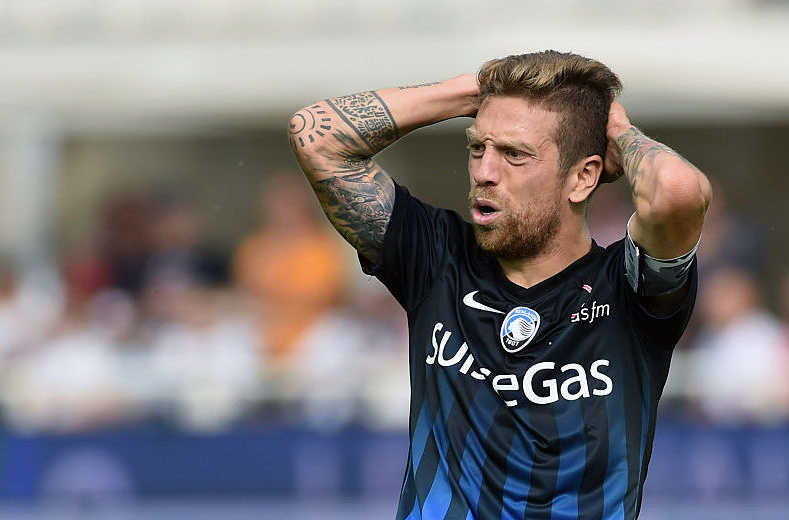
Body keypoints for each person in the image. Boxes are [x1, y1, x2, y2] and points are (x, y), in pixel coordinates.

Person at [288, 51, 711, 520]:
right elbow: (316, 136)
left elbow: (676, 191)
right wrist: (475, 94)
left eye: (515, 155)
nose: (485, 173)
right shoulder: (435, 257)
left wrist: (618, 133)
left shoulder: (630, 287)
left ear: (583, 177)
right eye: (477, 148)